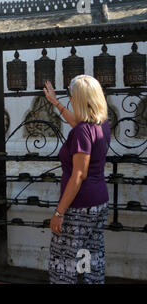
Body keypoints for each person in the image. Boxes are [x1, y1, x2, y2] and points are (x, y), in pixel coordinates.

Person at [43, 75, 110, 284]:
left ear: (79, 99)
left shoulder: (83, 131)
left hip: (78, 207)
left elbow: (78, 175)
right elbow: (78, 123)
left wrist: (58, 212)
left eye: (71, 97)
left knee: (65, 264)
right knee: (89, 258)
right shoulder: (101, 124)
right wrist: (56, 103)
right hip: (98, 203)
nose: (70, 99)